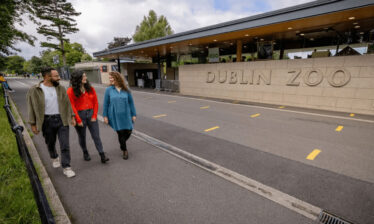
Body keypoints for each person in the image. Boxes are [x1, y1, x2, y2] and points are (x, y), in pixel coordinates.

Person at [27, 67, 76, 178]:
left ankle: (67, 167)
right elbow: (31, 107)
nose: (59, 78)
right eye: (56, 76)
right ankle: (54, 156)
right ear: (47, 77)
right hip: (46, 121)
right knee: (50, 142)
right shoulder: (34, 90)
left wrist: (72, 116)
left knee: (65, 144)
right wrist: (32, 124)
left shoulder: (61, 88)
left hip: (61, 119)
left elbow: (67, 103)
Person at [67, 70, 109, 163]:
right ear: (78, 78)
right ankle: (85, 152)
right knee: (82, 136)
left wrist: (94, 115)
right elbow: (71, 105)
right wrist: (78, 120)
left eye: (85, 76)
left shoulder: (90, 88)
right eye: (83, 76)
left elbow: (95, 103)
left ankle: (102, 154)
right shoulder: (70, 90)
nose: (85, 78)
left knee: (96, 136)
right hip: (79, 115)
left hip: (91, 114)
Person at [103, 71, 136, 160]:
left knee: (129, 131)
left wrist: (134, 114)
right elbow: (106, 104)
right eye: (110, 78)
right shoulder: (108, 90)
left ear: (117, 78)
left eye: (112, 78)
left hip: (126, 114)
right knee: (120, 133)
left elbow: (131, 102)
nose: (110, 80)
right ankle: (124, 150)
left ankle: (122, 144)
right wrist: (105, 116)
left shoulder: (126, 89)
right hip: (115, 115)